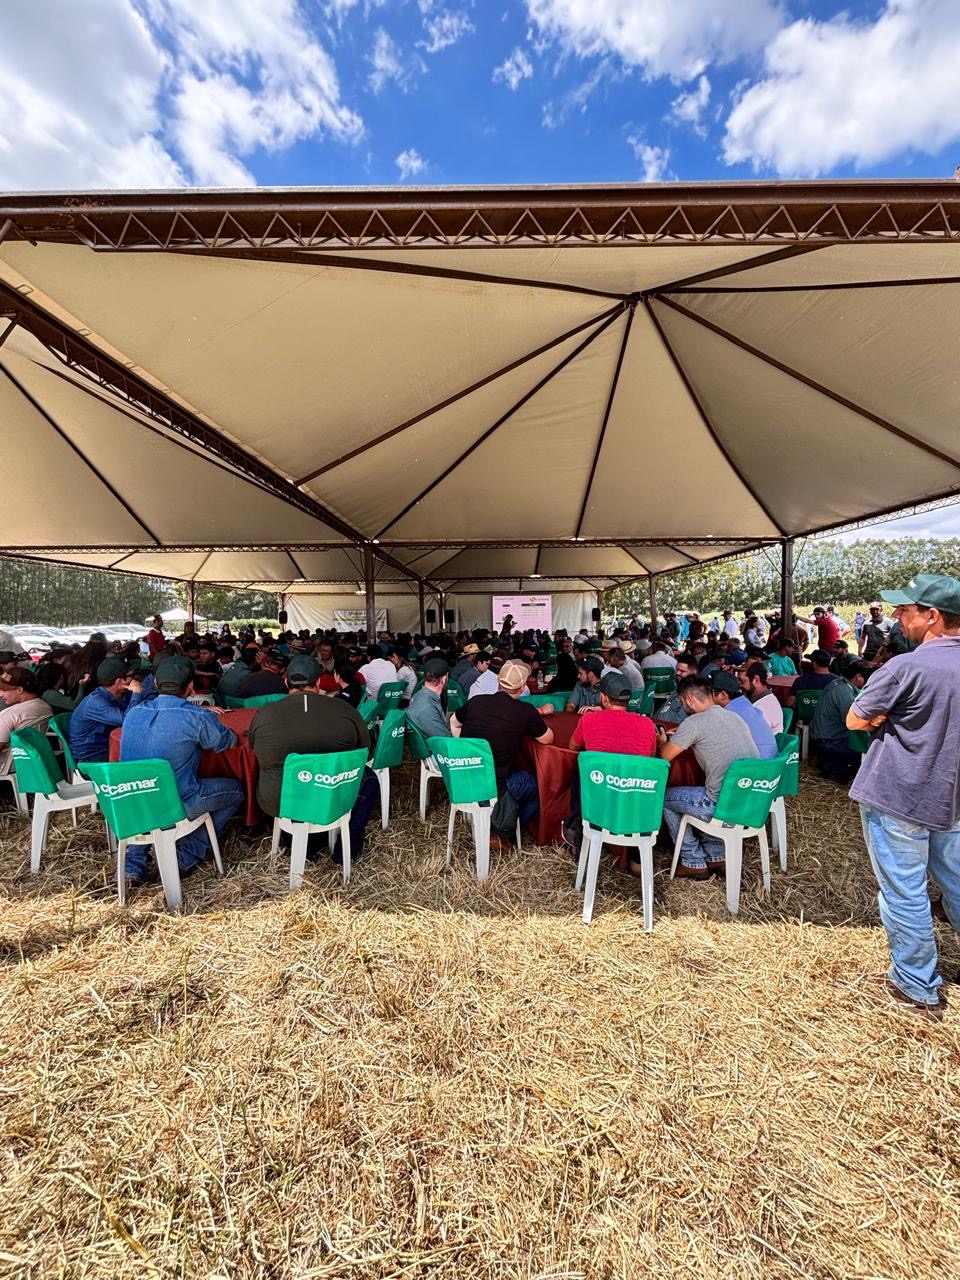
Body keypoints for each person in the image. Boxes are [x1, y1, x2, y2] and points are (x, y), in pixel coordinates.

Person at [845, 573, 960, 1018]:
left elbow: (857, 718)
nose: (897, 616)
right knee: (955, 883)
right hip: (952, 795)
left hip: (899, 794)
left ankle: (917, 982)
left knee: (905, 890)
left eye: (906, 609)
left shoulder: (905, 666)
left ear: (932, 617)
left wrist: (881, 720)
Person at [119, 657, 243, 888]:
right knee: (236, 791)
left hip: (131, 798)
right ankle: (186, 856)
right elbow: (226, 742)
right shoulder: (196, 717)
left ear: (155, 683)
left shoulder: (134, 713)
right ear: (190, 688)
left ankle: (132, 865)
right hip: (177, 803)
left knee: (146, 792)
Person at [248, 656, 377, 862]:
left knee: (268, 776)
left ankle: (298, 842)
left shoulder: (263, 715)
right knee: (369, 779)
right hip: (331, 792)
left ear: (286, 682)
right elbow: (363, 752)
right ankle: (346, 852)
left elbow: (255, 750)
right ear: (318, 682)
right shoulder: (345, 710)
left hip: (281, 801)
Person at [657, 675, 758, 878]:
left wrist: (662, 741)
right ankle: (716, 855)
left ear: (689, 700)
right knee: (707, 788)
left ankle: (692, 860)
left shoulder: (694, 722)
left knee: (664, 798)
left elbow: (664, 757)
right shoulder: (733, 716)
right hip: (752, 800)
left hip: (721, 806)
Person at [451, 659, 553, 849]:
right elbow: (548, 739)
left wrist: (465, 752)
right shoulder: (525, 711)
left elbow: (454, 722)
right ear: (522, 688)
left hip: (467, 777)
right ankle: (501, 831)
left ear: (498, 680)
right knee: (542, 787)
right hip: (497, 785)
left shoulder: (476, 701)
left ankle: (496, 821)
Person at [562, 672, 657, 858]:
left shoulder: (589, 719)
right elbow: (650, 758)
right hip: (633, 795)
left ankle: (581, 840)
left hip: (598, 795)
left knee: (578, 778)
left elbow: (573, 747)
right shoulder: (647, 724)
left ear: (603, 698)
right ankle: (636, 859)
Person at [68, 658, 147, 764]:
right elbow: (128, 720)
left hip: (106, 749)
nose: (135, 679)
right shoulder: (96, 702)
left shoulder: (117, 696)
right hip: (92, 759)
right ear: (119, 682)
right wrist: (137, 694)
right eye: (132, 676)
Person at [809, 657, 872, 783]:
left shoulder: (838, 683)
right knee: (871, 750)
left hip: (823, 737)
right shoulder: (844, 692)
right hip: (829, 742)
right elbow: (852, 721)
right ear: (858, 677)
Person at [705, 669, 778, 758]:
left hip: (756, 767)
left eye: (707, 693)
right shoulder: (743, 704)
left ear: (723, 695)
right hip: (769, 764)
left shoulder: (728, 714)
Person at [0, 668, 53, 776]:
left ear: (19, 690)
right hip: (34, 761)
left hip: (9, 766)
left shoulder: (10, 715)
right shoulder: (45, 707)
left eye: (4, 690)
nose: (0, 694)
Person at [407, 657, 451, 741]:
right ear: (445, 679)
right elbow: (446, 741)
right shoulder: (427, 708)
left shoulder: (418, 695)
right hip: (436, 750)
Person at [738, 662, 784, 735]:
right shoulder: (761, 700)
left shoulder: (765, 707)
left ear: (756, 680)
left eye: (742, 681)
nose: (740, 685)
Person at [655, 654, 698, 723]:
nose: (677, 673)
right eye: (677, 669)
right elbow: (664, 707)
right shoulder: (680, 687)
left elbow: (679, 721)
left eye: (682, 671)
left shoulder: (693, 693)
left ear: (694, 672)